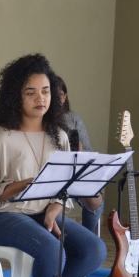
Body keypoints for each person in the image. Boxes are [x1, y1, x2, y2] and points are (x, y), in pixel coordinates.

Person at [0, 54, 106, 277]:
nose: (40, 98)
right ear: (15, 96)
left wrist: (55, 207)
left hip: (42, 213)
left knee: (94, 250)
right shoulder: (0, 137)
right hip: (2, 216)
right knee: (52, 250)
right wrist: (24, 185)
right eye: (31, 92)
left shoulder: (59, 136)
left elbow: (63, 187)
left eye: (46, 91)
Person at [57, 76, 104, 235]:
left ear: (65, 96)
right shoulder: (41, 118)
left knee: (95, 200)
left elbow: (88, 152)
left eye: (61, 94)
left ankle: (88, 236)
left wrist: (80, 151)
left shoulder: (73, 118)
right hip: (54, 172)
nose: (58, 98)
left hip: (75, 170)